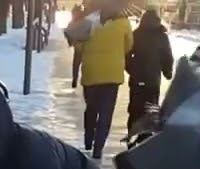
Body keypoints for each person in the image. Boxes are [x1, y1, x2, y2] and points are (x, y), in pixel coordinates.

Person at [74, 0, 132, 159]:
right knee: (106, 113)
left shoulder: (88, 22)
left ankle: (88, 139)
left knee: (91, 108)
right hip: (112, 75)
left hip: (91, 73)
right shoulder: (124, 23)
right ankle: (98, 148)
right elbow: (128, 46)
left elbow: (78, 47)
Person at [125, 8, 173, 131]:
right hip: (153, 80)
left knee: (135, 109)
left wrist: (132, 69)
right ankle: (146, 138)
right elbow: (167, 57)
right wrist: (167, 72)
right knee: (151, 110)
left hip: (137, 79)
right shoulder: (162, 36)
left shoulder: (136, 34)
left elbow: (126, 54)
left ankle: (132, 137)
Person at [68, 4, 87, 88]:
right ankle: (84, 79)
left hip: (78, 46)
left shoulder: (73, 21)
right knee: (85, 64)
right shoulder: (86, 20)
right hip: (86, 46)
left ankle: (75, 79)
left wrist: (71, 42)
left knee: (76, 64)